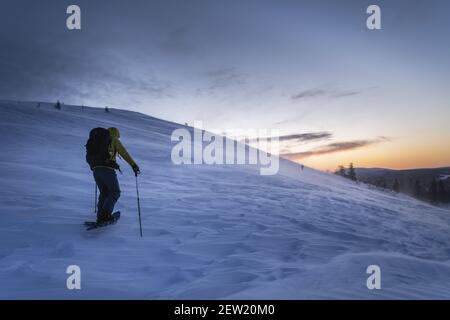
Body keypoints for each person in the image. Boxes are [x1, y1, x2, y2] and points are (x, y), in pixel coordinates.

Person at [90, 127, 140, 223]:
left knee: (104, 193)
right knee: (115, 192)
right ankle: (105, 215)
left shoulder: (97, 140)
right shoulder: (113, 139)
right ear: (116, 134)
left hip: (95, 169)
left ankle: (100, 216)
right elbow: (124, 153)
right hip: (107, 169)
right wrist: (133, 165)